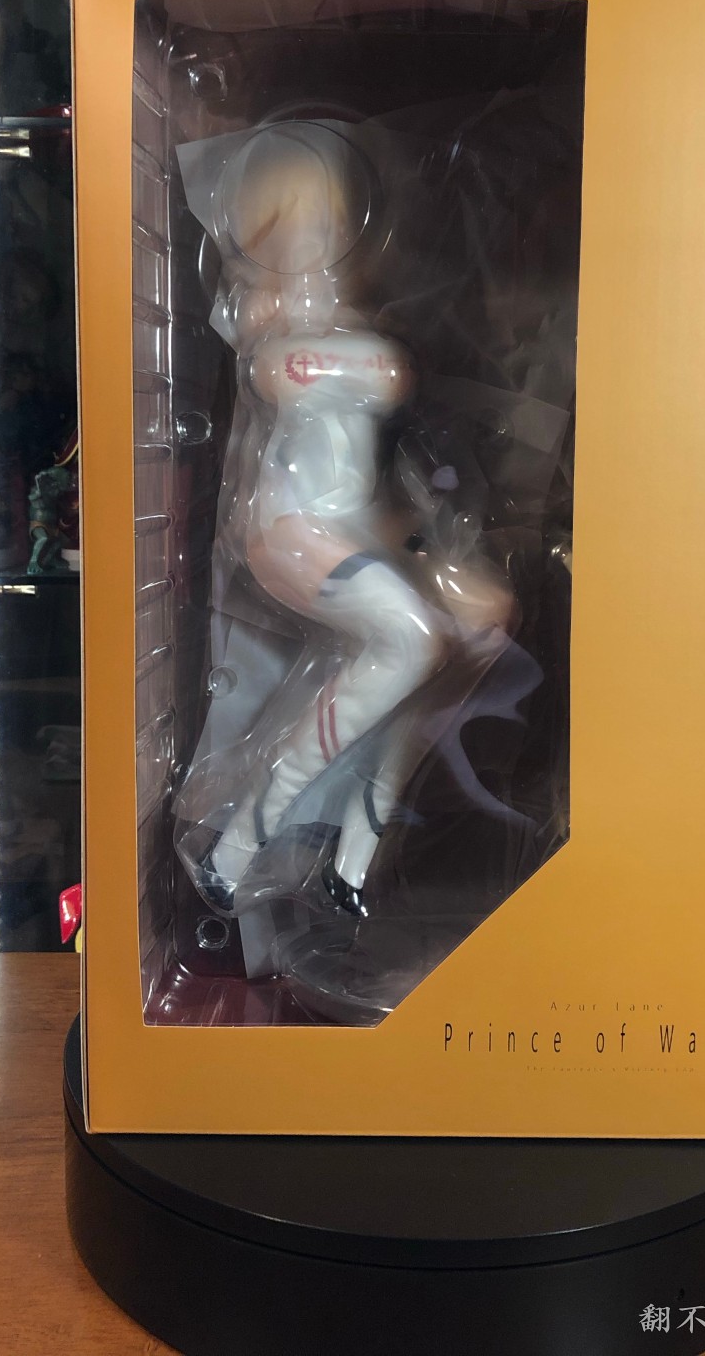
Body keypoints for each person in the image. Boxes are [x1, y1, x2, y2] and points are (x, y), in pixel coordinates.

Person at [179, 123, 515, 917]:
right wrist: (363, 360)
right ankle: (238, 845)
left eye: (327, 224)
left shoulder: (343, 323)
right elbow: (321, 375)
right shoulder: (272, 332)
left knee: (480, 628)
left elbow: (384, 377)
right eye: (298, 223)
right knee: (410, 639)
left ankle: (357, 851)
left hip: (361, 523)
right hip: (292, 529)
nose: (317, 240)